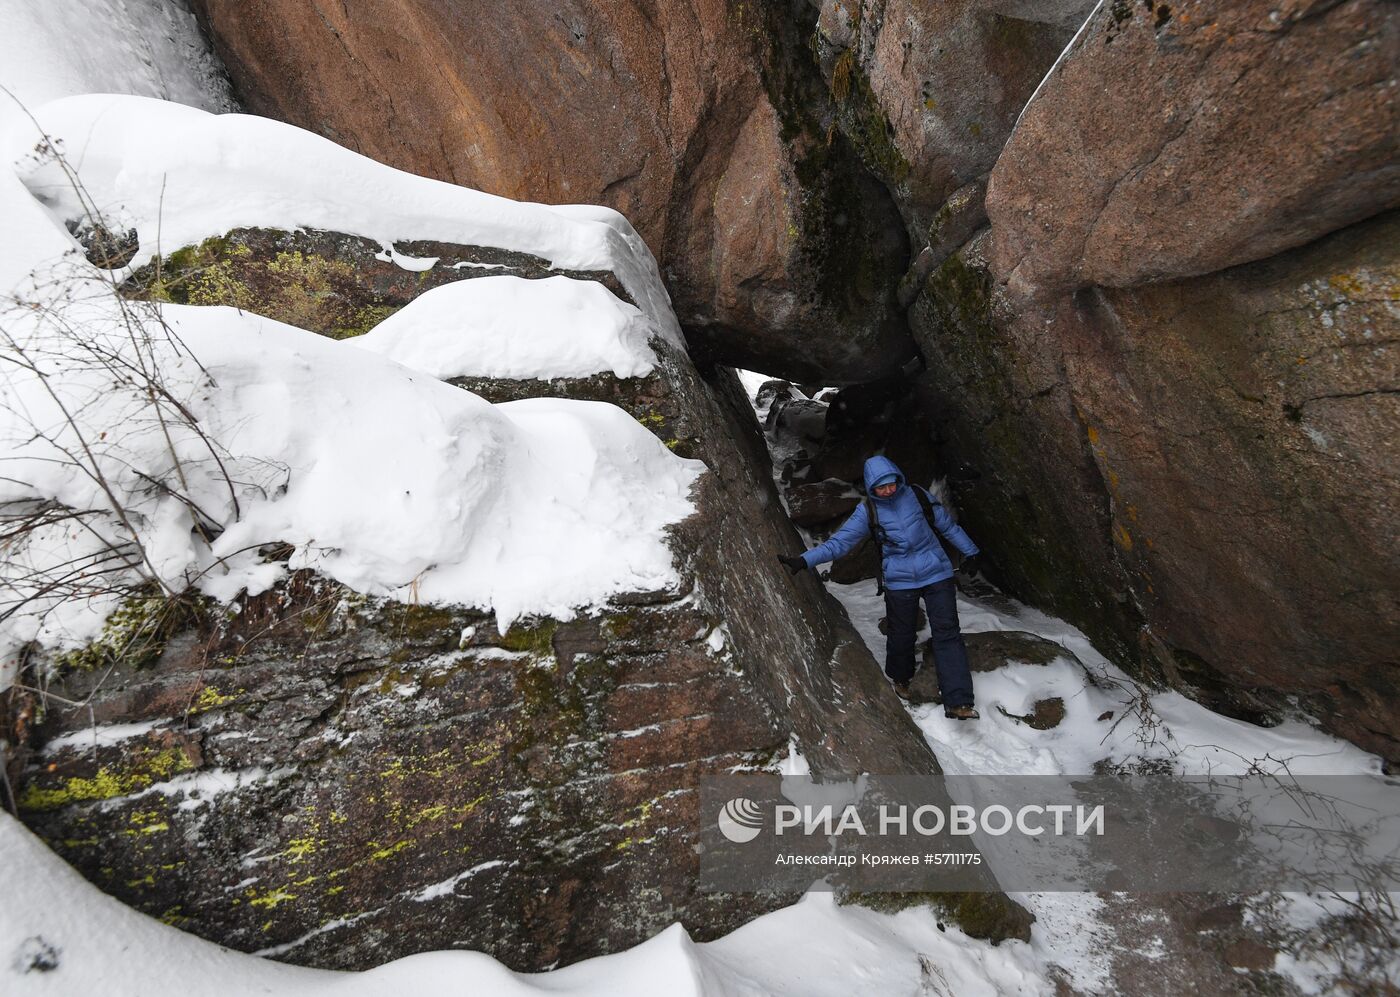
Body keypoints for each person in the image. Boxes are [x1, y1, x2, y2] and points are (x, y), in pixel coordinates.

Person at [777, 455, 981, 719]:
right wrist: (804, 561)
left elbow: (947, 526)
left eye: (891, 484)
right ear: (871, 487)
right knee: (901, 634)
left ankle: (958, 701)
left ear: (898, 477)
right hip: (899, 580)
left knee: (947, 632)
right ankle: (901, 678)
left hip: (936, 573)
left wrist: (972, 553)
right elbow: (839, 543)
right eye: (880, 487)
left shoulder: (917, 496)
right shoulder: (868, 511)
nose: (887, 490)